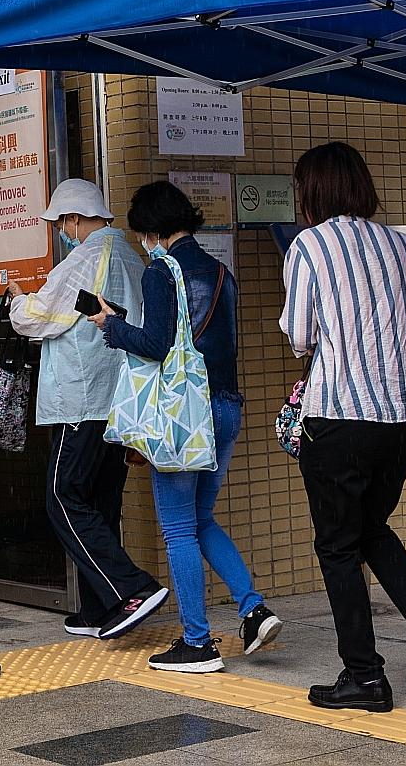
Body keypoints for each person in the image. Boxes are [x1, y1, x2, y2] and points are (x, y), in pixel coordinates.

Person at [280, 141, 406, 713]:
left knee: (337, 547)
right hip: (399, 421)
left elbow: (299, 335)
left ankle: (364, 674)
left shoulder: (308, 246)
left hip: (338, 420)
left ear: (311, 193)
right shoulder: (397, 243)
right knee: (369, 528)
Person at [92, 181, 283, 673]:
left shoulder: (161, 272)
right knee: (200, 519)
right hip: (225, 409)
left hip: (184, 416)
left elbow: (156, 344)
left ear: (152, 229)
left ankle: (197, 642)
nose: (142, 242)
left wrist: (112, 327)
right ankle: (252, 608)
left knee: (177, 528)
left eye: (142, 233)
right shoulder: (221, 271)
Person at [7, 178, 169, 641]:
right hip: (119, 400)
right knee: (101, 500)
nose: (62, 231)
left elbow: (38, 319)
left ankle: (131, 589)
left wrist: (19, 298)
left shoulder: (87, 257)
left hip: (81, 397)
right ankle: (101, 608)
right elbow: (87, 311)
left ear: (75, 219)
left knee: (63, 497)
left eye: (62, 223)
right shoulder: (129, 258)